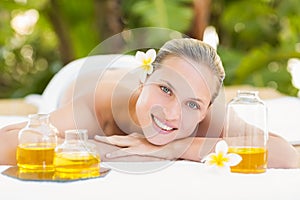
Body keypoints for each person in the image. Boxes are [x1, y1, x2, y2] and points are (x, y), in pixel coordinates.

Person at [0, 38, 298, 168]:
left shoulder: (204, 106)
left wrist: (175, 149)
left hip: (150, 67)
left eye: (193, 105)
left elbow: (287, 156)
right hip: (77, 76)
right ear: (144, 82)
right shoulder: (94, 109)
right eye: (166, 90)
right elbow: (6, 144)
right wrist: (102, 150)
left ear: (206, 110)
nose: (171, 114)